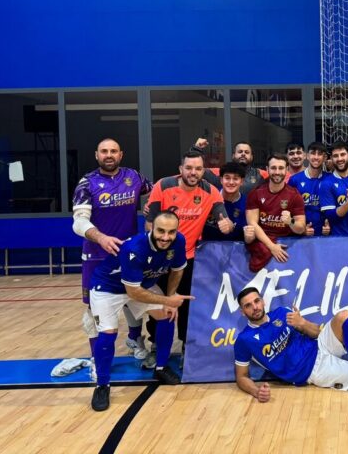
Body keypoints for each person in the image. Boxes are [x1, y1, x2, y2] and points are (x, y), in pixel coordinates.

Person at [89, 211, 194, 411]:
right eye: (161, 231)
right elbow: (133, 292)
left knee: (167, 315)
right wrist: (168, 299)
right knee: (108, 334)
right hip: (109, 287)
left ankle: (161, 368)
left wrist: (170, 298)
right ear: (150, 228)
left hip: (142, 284)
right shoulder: (135, 248)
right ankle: (102, 385)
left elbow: (178, 269)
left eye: (171, 232)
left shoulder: (179, 241)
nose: (165, 237)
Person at [72, 138, 153, 365]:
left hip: (128, 253)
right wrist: (101, 237)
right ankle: (98, 359)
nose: (109, 155)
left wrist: (151, 206)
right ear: (97, 155)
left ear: (121, 154)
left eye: (113, 151)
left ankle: (135, 340)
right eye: (104, 151)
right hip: (96, 256)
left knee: (131, 296)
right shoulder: (86, 184)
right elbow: (78, 222)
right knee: (93, 308)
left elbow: (158, 192)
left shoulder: (135, 177)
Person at [146, 151, 231, 354]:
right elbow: (149, 225)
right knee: (158, 304)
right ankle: (157, 347)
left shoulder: (211, 192)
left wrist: (225, 224)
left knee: (185, 305)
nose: (193, 173)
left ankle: (186, 347)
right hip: (159, 258)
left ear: (204, 171)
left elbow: (223, 218)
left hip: (188, 259)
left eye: (198, 169)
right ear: (181, 169)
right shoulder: (163, 186)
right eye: (189, 168)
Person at [245, 153, 306, 269]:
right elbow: (252, 223)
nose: (277, 172)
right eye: (273, 168)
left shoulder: (294, 195)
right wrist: (272, 246)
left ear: (287, 169)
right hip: (263, 240)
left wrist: (290, 221)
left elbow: (301, 228)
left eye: (281, 168)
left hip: (287, 243)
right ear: (267, 169)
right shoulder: (256, 193)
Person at [288, 141, 332, 237]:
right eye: (313, 153)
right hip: (301, 236)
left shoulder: (330, 178)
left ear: (325, 158)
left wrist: (330, 227)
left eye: (320, 154)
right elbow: (289, 210)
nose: (316, 157)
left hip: (326, 236)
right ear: (307, 156)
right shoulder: (295, 180)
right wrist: (300, 230)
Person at [201, 162, 247, 242]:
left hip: (236, 250)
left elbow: (248, 235)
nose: (231, 182)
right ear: (221, 180)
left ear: (242, 181)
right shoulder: (208, 197)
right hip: (206, 249)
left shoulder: (248, 203)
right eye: (227, 178)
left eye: (235, 178)